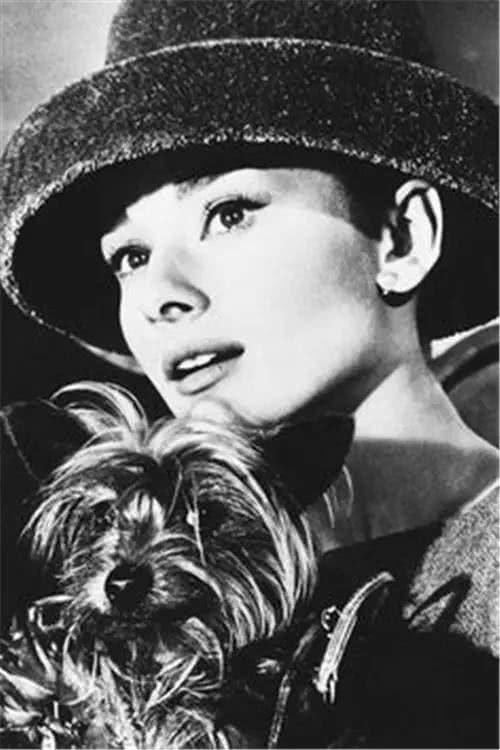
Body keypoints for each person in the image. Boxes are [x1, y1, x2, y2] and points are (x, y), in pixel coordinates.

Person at [0, 1, 498, 746]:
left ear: (401, 238)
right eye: (129, 257)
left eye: (229, 212)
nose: (160, 293)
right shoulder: (139, 643)